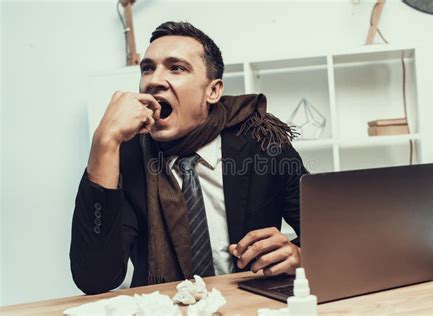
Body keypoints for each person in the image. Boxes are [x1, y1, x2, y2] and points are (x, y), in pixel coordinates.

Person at [70, 21, 308, 295]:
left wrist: (298, 256)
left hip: (250, 305)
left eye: (176, 68)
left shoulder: (262, 143)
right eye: (148, 68)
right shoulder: (125, 155)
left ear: (213, 91)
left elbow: (329, 236)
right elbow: (95, 278)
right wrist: (104, 143)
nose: (154, 80)